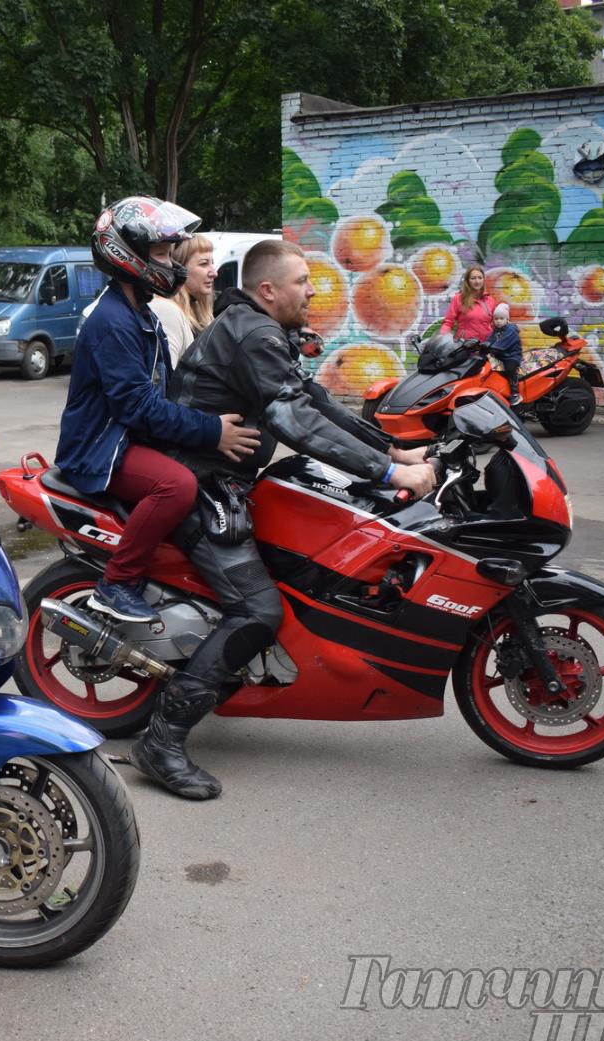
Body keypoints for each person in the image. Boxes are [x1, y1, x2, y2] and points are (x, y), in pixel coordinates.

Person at [145, 239, 437, 800]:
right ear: (268, 290)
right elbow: (293, 419)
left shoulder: (257, 329)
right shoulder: (253, 333)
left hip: (223, 478)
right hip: (200, 484)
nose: (313, 291)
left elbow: (314, 400)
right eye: (303, 281)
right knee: (257, 608)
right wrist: (389, 474)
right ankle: (163, 741)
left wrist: (392, 453)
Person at [55, 196, 261, 624]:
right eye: (164, 254)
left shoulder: (140, 313)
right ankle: (117, 584)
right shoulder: (112, 321)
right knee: (177, 485)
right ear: (126, 255)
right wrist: (210, 431)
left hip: (127, 439)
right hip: (100, 448)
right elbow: (139, 406)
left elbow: (167, 389)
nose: (174, 264)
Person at [149, 234, 216, 366]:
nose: (214, 272)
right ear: (179, 266)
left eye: (212, 263)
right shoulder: (166, 311)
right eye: (203, 264)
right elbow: (167, 378)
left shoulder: (197, 310)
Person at [439, 265, 496, 341]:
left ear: (483, 280)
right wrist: (441, 338)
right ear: (467, 281)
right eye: (473, 278)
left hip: (485, 346)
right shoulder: (458, 299)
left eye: (480, 278)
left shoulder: (489, 300)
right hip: (464, 347)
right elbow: (448, 322)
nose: (477, 281)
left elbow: (496, 323)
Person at [486, 302, 524, 404]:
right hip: (501, 355)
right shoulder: (496, 330)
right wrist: (482, 346)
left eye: (501, 319)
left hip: (512, 356)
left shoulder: (510, 330)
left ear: (507, 319)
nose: (498, 321)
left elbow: (500, 345)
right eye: (496, 319)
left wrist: (489, 349)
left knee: (510, 368)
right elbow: (490, 340)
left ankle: (515, 393)